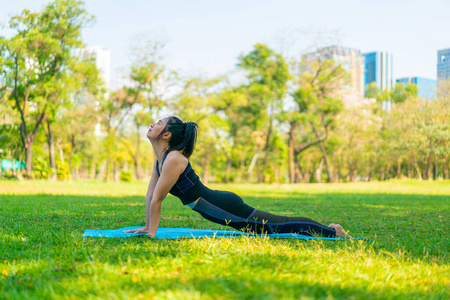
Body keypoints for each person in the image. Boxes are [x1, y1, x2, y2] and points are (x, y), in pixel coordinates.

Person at [123, 116, 351, 239]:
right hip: (216, 208)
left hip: (222, 206)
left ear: (166, 135)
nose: (153, 123)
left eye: (159, 123)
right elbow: (150, 194)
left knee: (275, 226)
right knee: (273, 226)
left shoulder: (173, 158)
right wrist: (146, 227)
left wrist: (151, 231)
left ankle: (333, 232)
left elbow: (158, 199)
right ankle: (330, 230)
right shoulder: (160, 159)